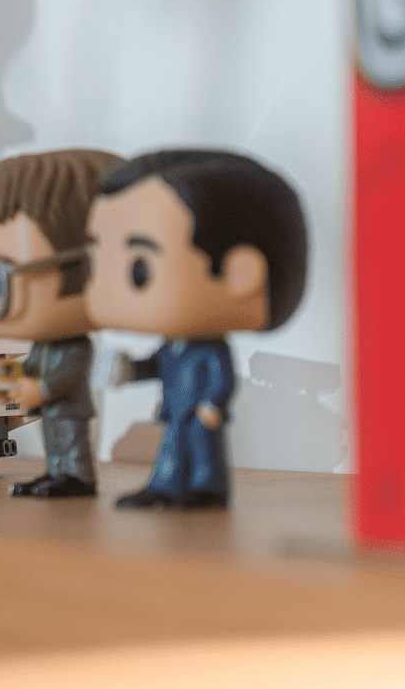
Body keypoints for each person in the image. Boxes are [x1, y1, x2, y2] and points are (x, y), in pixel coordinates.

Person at [86, 149, 309, 510]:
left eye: (139, 269)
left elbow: (222, 377)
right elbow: (158, 366)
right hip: (177, 408)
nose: (106, 292)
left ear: (241, 275)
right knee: (173, 446)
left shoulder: (209, 349)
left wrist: (212, 404)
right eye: (95, 265)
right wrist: (131, 370)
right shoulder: (173, 344)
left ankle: (207, 488)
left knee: (202, 449)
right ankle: (166, 486)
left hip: (201, 411)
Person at [0, 149, 121, 498]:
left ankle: (76, 475)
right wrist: (9, 377)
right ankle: (58, 471)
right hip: (50, 404)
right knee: (55, 439)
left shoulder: (74, 345)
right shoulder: (47, 345)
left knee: (69, 438)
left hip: (66, 405)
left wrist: (41, 390)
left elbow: (70, 374)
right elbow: (34, 367)